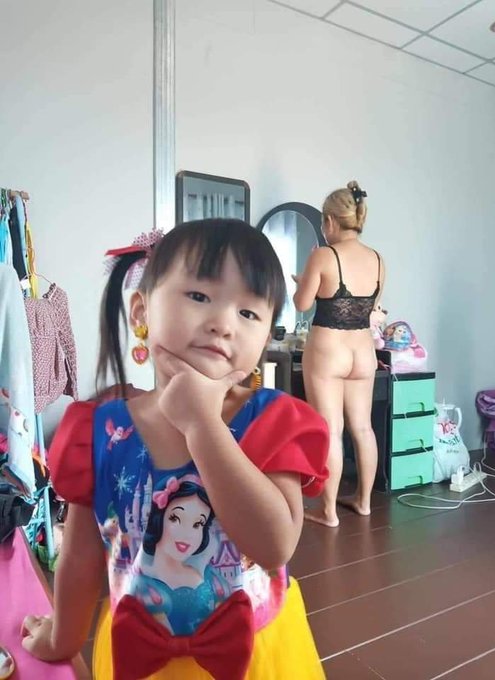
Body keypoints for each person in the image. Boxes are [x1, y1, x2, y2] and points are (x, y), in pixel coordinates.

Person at [21, 219, 329, 680]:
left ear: (266, 336)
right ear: (141, 311)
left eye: (249, 313)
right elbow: (81, 557)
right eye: (199, 295)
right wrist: (62, 639)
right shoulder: (99, 429)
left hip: (256, 655)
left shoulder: (273, 421)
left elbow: (274, 545)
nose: (223, 323)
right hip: (136, 653)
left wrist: (201, 423)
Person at [293, 181, 385, 527]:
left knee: (331, 430)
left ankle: (328, 511)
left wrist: (302, 283)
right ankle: (364, 502)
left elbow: (302, 303)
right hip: (363, 351)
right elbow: (370, 309)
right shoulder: (378, 260)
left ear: (330, 221)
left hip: (329, 350)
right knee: (363, 428)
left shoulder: (323, 255)